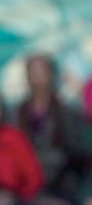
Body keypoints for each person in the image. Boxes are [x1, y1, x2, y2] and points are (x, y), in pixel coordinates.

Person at [13, 54, 88, 195]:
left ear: (52, 74)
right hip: (25, 180)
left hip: (63, 180)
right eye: (32, 71)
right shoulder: (16, 112)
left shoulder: (67, 111)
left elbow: (78, 150)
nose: (37, 76)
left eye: (41, 70)